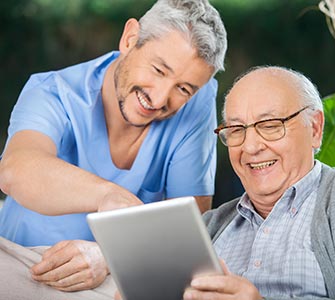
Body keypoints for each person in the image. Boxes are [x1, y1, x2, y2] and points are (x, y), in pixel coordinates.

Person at [0, 0, 227, 293]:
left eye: (183, 89)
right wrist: (111, 197)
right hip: (26, 264)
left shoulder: (197, 100)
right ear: (130, 39)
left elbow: (191, 219)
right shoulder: (52, 93)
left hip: (126, 268)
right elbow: (15, 171)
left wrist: (109, 253)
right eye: (158, 70)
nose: (159, 100)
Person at [182, 66, 335, 300]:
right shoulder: (211, 225)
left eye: (270, 126)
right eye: (236, 129)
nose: (250, 147)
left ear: (315, 129)